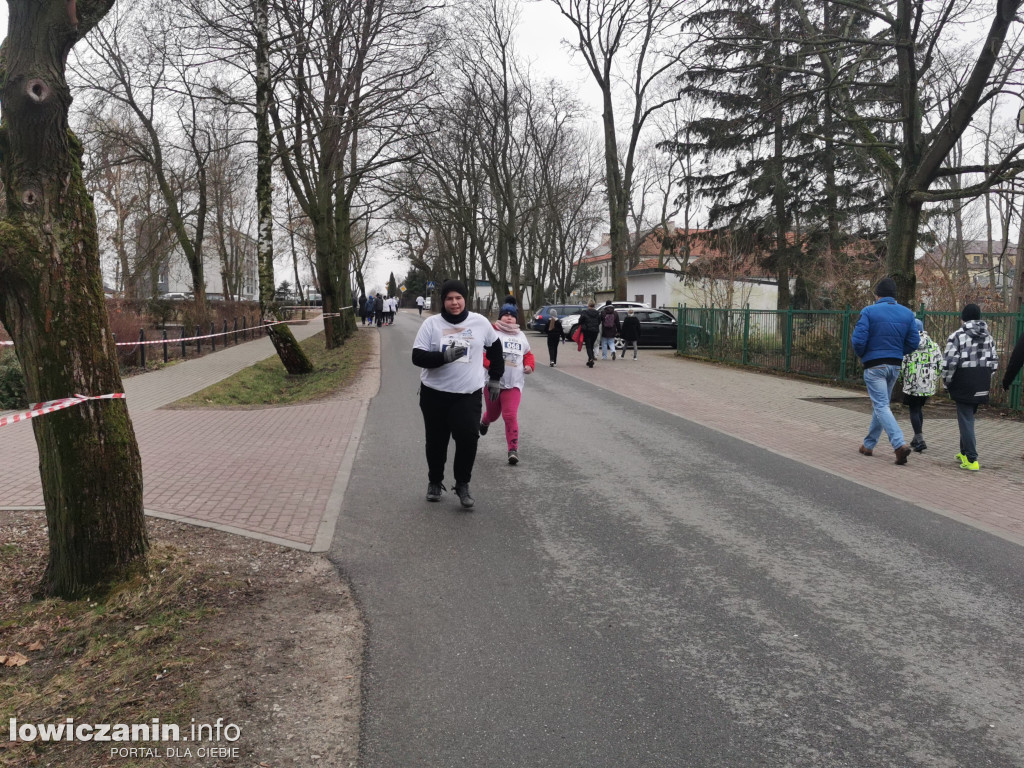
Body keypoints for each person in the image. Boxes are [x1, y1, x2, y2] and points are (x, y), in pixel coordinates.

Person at [412, 279, 504, 508]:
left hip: (467, 394)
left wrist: (495, 377)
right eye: (449, 298)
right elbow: (417, 357)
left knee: (468, 439)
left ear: (465, 299)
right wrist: (444, 357)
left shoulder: (480, 322)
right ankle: (435, 482)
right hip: (435, 394)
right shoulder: (432, 324)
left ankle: (462, 484)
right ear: (443, 301)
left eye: (458, 298)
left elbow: (495, 349)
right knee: (436, 441)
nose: (454, 303)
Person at [851, 277, 919, 465]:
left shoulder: (869, 312)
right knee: (881, 405)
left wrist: (863, 355)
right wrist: (898, 352)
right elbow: (914, 342)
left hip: (874, 366)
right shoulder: (907, 313)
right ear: (895, 295)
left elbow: (858, 340)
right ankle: (869, 444)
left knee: (881, 405)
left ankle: (899, 445)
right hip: (894, 365)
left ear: (877, 295)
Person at [943, 303, 999, 471]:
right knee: (968, 417)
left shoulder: (957, 336)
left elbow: (949, 363)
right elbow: (994, 362)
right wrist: (985, 377)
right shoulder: (988, 336)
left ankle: (972, 458)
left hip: (963, 380)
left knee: (966, 419)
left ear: (963, 318)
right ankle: (964, 451)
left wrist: (947, 382)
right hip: (982, 380)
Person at [479, 303, 535, 465]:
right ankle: (485, 421)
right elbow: (481, 355)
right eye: (505, 314)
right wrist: (493, 365)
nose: (509, 317)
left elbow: (528, 354)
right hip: (493, 383)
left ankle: (513, 450)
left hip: (514, 384)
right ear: (500, 316)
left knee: (509, 415)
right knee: (493, 415)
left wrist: (530, 366)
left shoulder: (521, 336)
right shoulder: (492, 332)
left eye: (512, 315)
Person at [899, 318, 943, 452]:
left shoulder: (908, 345)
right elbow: (940, 364)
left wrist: (902, 379)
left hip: (912, 383)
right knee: (919, 409)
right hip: (927, 384)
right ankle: (916, 439)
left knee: (914, 409)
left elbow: (902, 365)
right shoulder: (933, 345)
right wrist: (933, 377)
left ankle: (920, 439)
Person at [578, 300, 601, 368]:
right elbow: (599, 321)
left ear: (588, 305)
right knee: (591, 345)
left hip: (587, 330)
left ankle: (591, 359)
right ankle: (590, 359)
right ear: (594, 305)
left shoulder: (584, 312)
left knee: (588, 346)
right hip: (595, 331)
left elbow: (580, 321)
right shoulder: (597, 313)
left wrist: (583, 325)